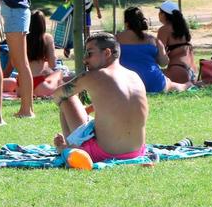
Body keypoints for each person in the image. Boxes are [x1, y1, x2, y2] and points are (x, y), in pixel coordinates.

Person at [51, 31, 148, 162]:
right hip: (136, 152)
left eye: (89, 54)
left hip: (102, 153)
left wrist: (74, 114)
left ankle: (67, 148)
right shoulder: (134, 76)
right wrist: (87, 111)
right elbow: (119, 104)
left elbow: (56, 95)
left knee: (66, 97)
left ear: (107, 53)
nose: (85, 60)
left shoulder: (94, 76)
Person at [117, 7, 191, 93]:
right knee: (178, 86)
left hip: (127, 83)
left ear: (126, 23)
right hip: (154, 81)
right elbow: (164, 63)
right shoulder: (153, 40)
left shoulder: (116, 39)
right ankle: (189, 85)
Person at [156, 0, 196, 84]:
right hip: (192, 72)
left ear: (163, 14)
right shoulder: (183, 29)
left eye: (159, 12)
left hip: (177, 70)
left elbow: (159, 57)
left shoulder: (164, 29)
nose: (158, 15)